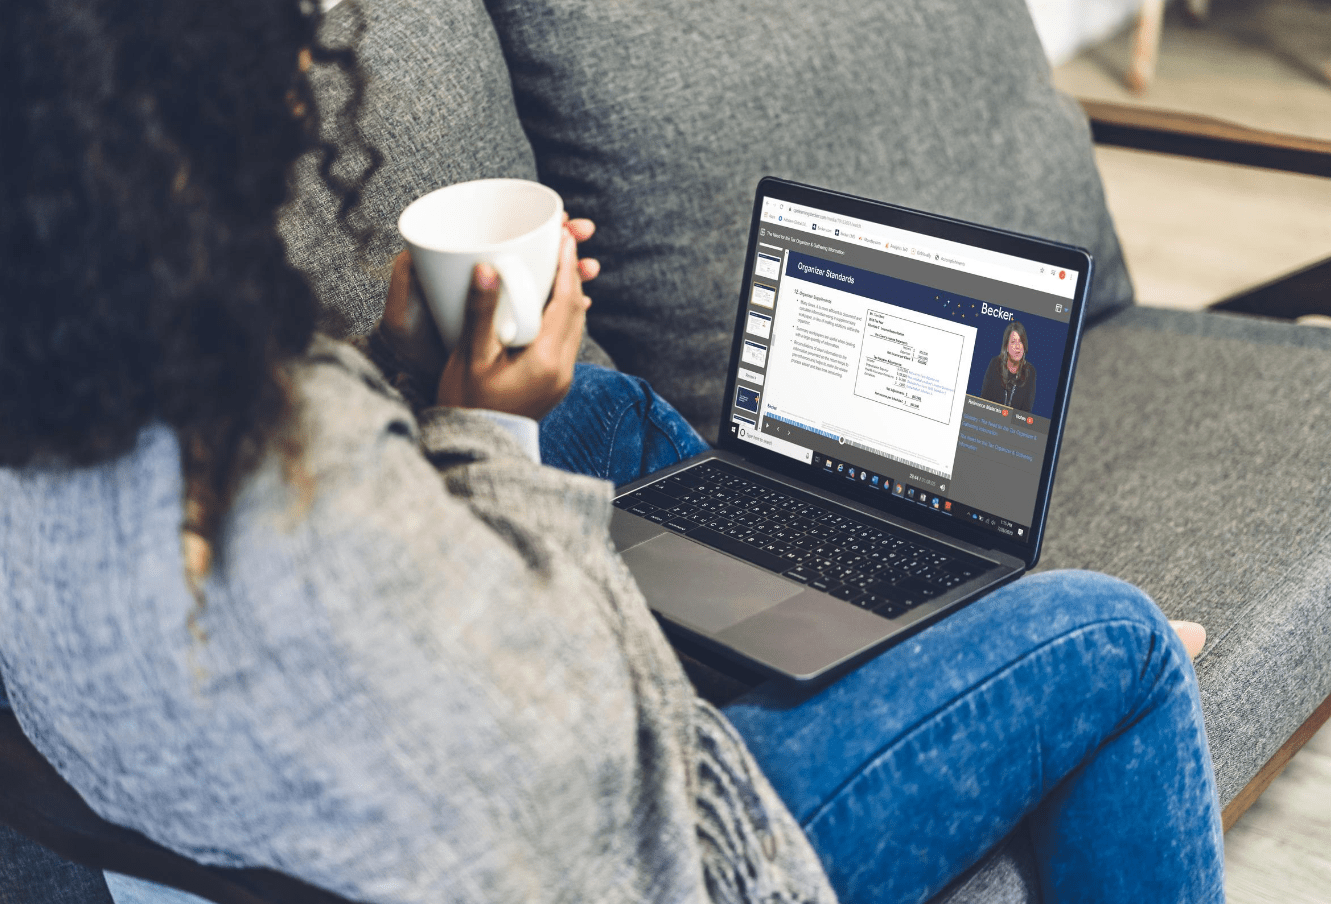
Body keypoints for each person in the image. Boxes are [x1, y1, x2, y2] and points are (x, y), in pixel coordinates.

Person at [0, 2, 1222, 903]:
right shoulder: (313, 479)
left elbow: (361, 572)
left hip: (354, 770)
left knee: (599, 410)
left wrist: (408, 373)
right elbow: (582, 754)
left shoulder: (65, 408)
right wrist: (482, 420)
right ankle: (902, 649)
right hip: (657, 850)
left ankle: (802, 612)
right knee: (1107, 635)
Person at [980, 321, 1038, 412]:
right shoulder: (995, 364)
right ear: (1006, 347)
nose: (1017, 347)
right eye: (1013, 342)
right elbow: (984, 400)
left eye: (1020, 342)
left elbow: (1026, 411)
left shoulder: (1030, 371)